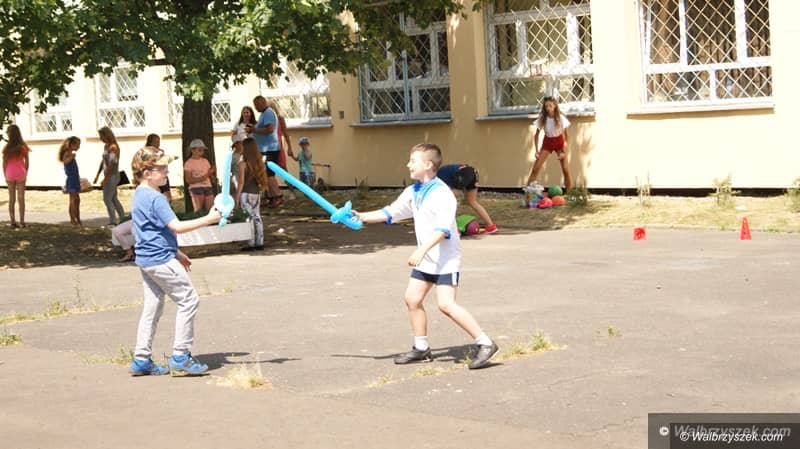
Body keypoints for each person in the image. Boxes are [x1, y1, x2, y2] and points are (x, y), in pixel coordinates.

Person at [354, 143, 499, 370]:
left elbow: (443, 230)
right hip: (427, 259)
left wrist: (421, 250)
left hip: (445, 258)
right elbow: (390, 212)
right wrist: (361, 216)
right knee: (412, 299)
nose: (408, 165)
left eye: (413, 161)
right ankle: (421, 349)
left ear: (428, 164)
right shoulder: (413, 191)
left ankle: (486, 343)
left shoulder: (443, 194)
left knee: (446, 305)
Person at [128, 146, 221, 376]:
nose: (166, 172)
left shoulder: (139, 194)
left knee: (152, 307)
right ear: (147, 173)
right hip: (160, 260)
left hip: (146, 259)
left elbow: (150, 231)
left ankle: (141, 359)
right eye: (162, 168)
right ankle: (180, 355)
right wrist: (209, 218)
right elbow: (176, 227)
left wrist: (176, 252)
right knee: (189, 300)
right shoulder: (156, 198)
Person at [525, 96, 572, 191]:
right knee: (535, 169)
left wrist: (564, 151)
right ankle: (529, 193)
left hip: (559, 143)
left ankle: (570, 193)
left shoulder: (561, 118)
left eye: (550, 106)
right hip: (547, 143)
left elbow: (567, 136)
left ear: (554, 106)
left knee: (566, 169)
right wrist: (537, 151)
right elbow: (536, 135)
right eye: (546, 106)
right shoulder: (543, 118)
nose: (548, 108)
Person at [436, 164, 497, 234]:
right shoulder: (443, 173)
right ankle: (491, 226)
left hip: (466, 177)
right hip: (468, 176)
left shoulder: (470, 174)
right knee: (469, 202)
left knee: (453, 202)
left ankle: (454, 230)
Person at [235, 138, 268, 251]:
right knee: (257, 217)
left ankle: (250, 243)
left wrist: (237, 197)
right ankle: (260, 242)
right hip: (256, 193)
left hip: (245, 193)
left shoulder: (243, 164)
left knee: (248, 218)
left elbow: (241, 182)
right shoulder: (258, 164)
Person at [249, 95, 282, 207]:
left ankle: (277, 196)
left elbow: (270, 129)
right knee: (265, 174)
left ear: (262, 103)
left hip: (270, 149)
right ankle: (270, 197)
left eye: (256, 105)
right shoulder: (264, 114)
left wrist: (255, 130)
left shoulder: (268, 113)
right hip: (264, 148)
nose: (255, 108)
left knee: (269, 174)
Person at [94, 126, 126, 225]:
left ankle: (113, 221)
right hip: (107, 175)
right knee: (113, 198)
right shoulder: (106, 146)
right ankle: (123, 218)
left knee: (107, 199)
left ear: (106, 135)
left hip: (112, 176)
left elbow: (112, 164)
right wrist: (98, 174)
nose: (100, 138)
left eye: (101, 136)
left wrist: (105, 178)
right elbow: (103, 161)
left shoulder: (113, 147)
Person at [2, 125, 30, 228]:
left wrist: (5, 174)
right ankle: (22, 222)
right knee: (21, 198)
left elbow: (4, 163)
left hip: (10, 173)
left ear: (10, 134)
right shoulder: (23, 146)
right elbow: (27, 162)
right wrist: (25, 172)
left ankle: (12, 221)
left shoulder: (7, 148)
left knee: (11, 198)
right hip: (21, 172)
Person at [271, 101, 296, 200]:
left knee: (283, 171)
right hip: (268, 149)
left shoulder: (280, 119)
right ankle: (272, 194)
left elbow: (285, 133)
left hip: (278, 148)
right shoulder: (265, 120)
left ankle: (292, 191)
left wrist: (289, 147)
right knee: (268, 172)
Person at [183, 138, 215, 212]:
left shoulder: (205, 161)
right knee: (198, 211)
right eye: (199, 150)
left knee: (211, 210)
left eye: (203, 150)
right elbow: (188, 180)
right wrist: (203, 177)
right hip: (196, 188)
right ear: (192, 150)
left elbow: (209, 174)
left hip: (208, 186)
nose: (202, 152)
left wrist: (212, 176)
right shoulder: (188, 163)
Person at [58, 136, 82, 226]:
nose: (78, 147)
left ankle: (78, 218)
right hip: (71, 179)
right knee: (73, 199)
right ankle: (73, 219)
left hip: (75, 178)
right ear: (71, 145)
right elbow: (65, 162)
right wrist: (71, 157)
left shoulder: (71, 153)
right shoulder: (67, 153)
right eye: (77, 145)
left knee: (77, 200)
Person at [145, 134, 173, 203]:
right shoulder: (145, 152)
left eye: (158, 142)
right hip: (153, 177)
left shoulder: (161, 151)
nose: (158, 144)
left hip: (162, 176)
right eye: (155, 142)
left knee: (168, 197)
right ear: (150, 142)